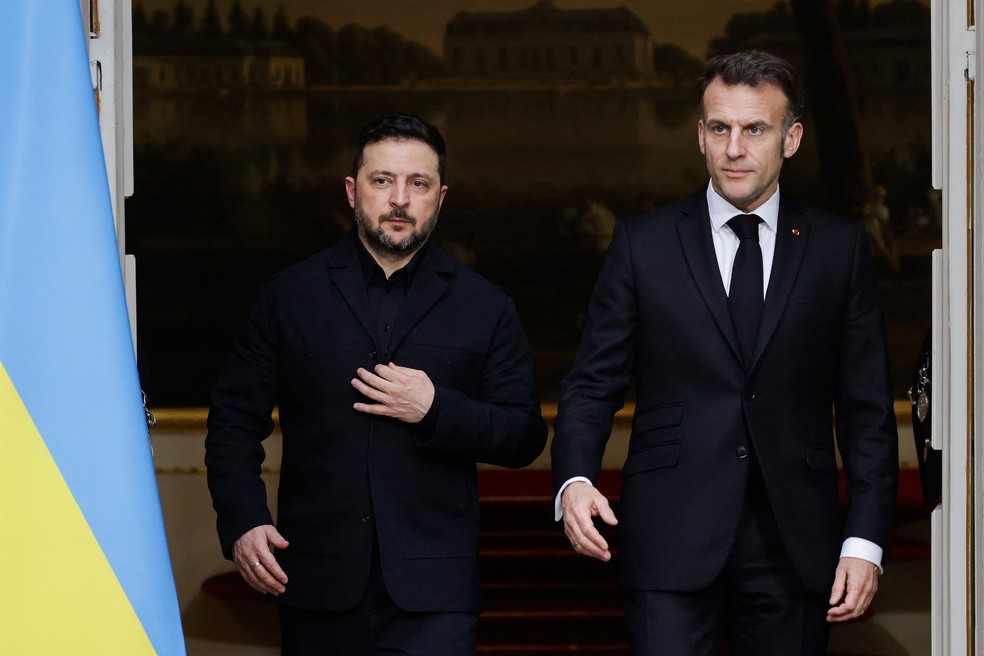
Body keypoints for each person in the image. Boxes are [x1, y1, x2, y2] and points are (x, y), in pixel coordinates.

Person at [551, 50, 899, 655]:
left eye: (754, 129)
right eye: (720, 128)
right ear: (700, 135)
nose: (734, 147)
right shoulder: (642, 245)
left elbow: (868, 410)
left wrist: (864, 542)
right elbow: (591, 385)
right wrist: (575, 478)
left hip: (794, 543)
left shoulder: (836, 250)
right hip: (668, 537)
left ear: (790, 139)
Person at [205, 112, 547, 655]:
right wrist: (244, 521)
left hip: (436, 592)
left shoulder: (486, 307)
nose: (399, 199)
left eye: (419, 184)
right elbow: (232, 422)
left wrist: (435, 409)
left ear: (440, 196)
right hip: (315, 581)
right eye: (382, 180)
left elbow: (524, 435)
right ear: (351, 190)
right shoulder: (288, 297)